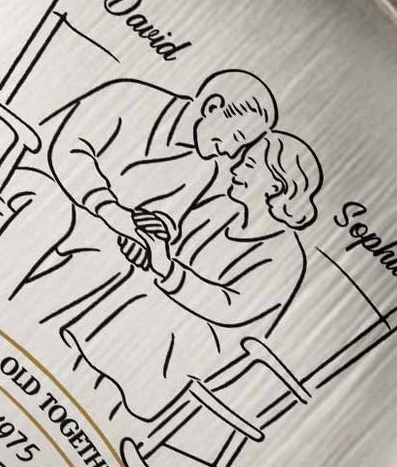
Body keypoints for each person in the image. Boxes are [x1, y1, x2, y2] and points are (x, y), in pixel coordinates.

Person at [61, 130, 322, 424]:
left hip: (205, 337)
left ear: (276, 186)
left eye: (248, 165)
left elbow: (229, 307)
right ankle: (72, 375)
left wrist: (165, 267)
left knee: (152, 308)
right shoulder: (221, 209)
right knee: (132, 287)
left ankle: (106, 404)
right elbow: (175, 246)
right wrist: (146, 245)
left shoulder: (285, 256)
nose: (234, 169)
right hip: (164, 301)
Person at [0, 69, 278, 329]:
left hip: (101, 228)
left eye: (240, 146)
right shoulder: (132, 97)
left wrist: (148, 239)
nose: (229, 153)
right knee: (47, 213)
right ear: (212, 107)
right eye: (235, 137)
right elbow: (69, 152)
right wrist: (110, 210)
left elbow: (169, 217)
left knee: (112, 266)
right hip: (48, 184)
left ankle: (24, 330)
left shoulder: (205, 170)